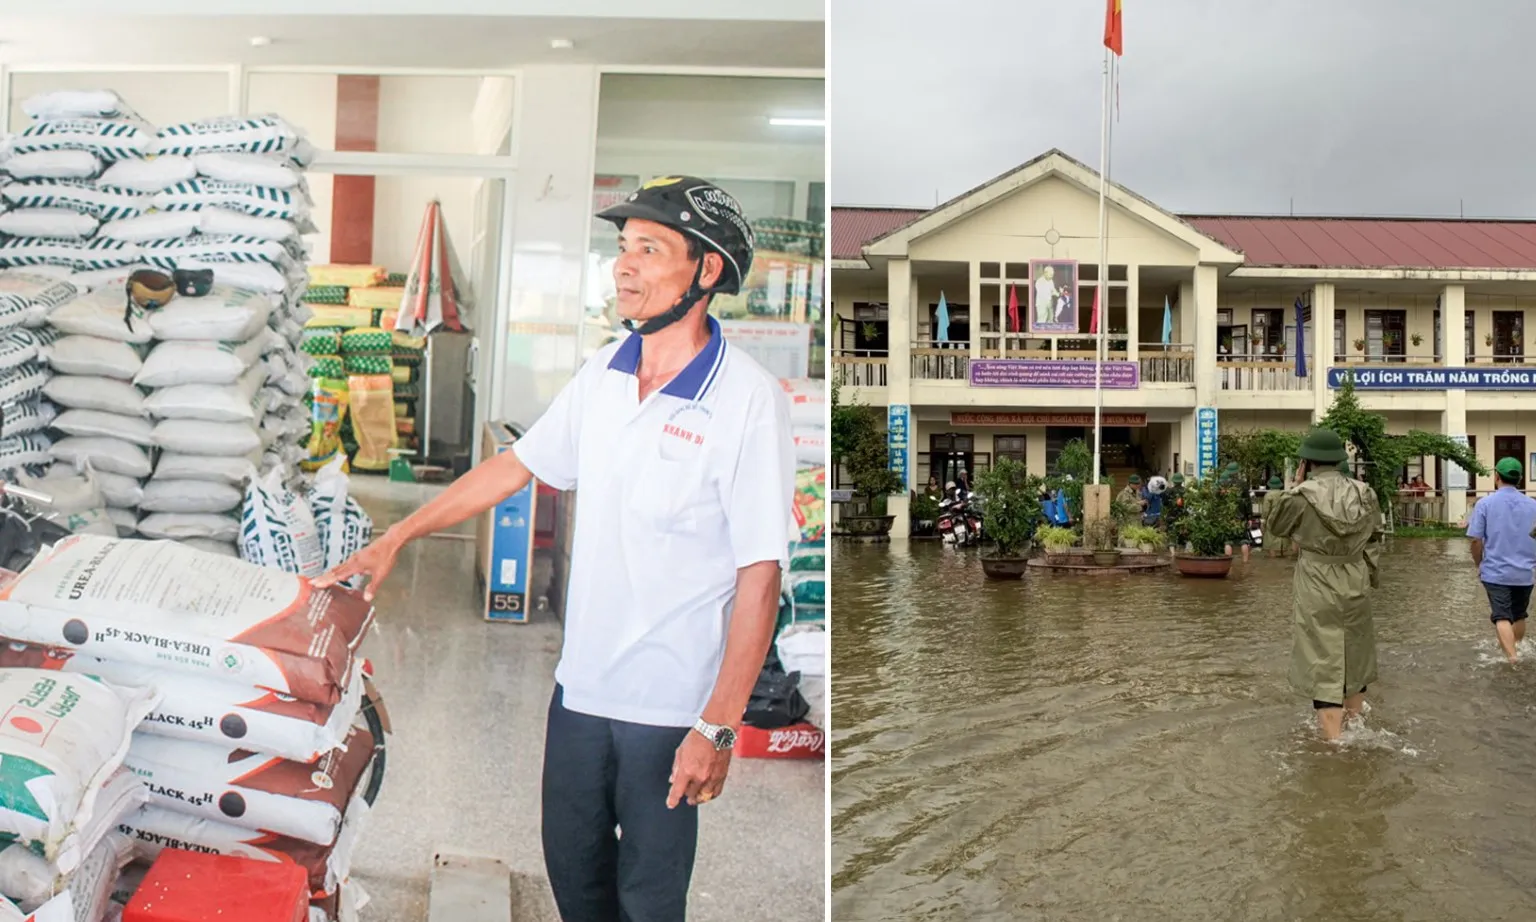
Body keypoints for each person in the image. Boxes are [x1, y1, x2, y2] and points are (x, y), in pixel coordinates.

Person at [317, 176, 793, 922]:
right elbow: (517, 467)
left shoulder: (748, 399)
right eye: (623, 247)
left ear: (706, 272)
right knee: (575, 875)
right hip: (582, 688)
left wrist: (717, 726)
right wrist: (399, 535)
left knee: (648, 897)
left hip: (669, 706)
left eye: (650, 249)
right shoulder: (603, 371)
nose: (624, 266)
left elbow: (759, 576)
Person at [1265, 428, 1384, 741]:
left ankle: (1333, 745)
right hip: (1355, 575)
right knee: (1355, 651)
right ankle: (1355, 729)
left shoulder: (1300, 496)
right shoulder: (1365, 493)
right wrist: (1369, 573)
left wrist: (1293, 485)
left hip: (1317, 578)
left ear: (1306, 461)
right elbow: (1374, 536)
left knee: (1322, 656)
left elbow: (1276, 527)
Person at [1466, 457, 1536, 664]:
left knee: (1501, 615)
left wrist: (1479, 563)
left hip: (1496, 572)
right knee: (1520, 614)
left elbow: (1476, 540)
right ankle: (1516, 648)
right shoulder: (1533, 505)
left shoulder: (1485, 504)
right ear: (1520, 478)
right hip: (1525, 572)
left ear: (1496, 476)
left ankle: (1512, 658)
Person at [1261, 476, 1292, 557]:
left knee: (1271, 543)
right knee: (1282, 540)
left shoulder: (1268, 495)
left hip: (1272, 520)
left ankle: (1273, 560)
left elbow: (1265, 510)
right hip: (1283, 520)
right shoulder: (1285, 494)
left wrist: (1263, 522)